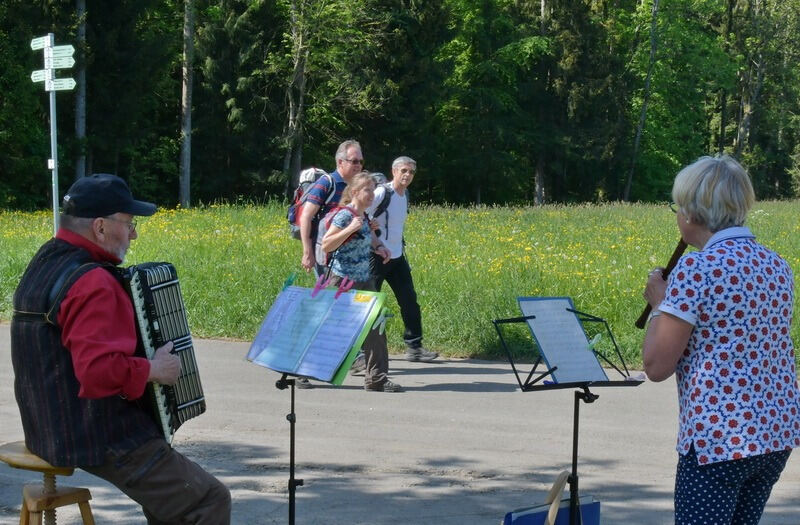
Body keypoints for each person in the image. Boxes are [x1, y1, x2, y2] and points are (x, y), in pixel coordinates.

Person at [10, 173, 231, 524]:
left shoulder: (46, 260)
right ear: (99, 227)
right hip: (93, 433)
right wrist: (154, 369)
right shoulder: (94, 282)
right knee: (205, 499)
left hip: (45, 426)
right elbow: (97, 372)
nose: (134, 234)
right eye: (128, 223)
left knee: (172, 498)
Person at [641, 155, 800, 525]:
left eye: (676, 207)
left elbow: (655, 366)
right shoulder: (777, 264)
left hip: (720, 441)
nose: (677, 215)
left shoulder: (698, 268)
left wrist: (659, 305)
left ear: (692, 214)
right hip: (774, 435)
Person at [321, 172, 402, 392]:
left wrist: (379, 247)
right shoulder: (345, 216)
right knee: (328, 329)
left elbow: (368, 237)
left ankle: (376, 379)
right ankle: (300, 371)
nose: (372, 194)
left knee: (376, 326)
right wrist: (349, 229)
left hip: (364, 279)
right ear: (355, 192)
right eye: (368, 189)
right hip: (342, 281)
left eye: (373, 188)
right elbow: (326, 245)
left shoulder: (364, 216)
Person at [366, 156, 438, 362]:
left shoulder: (405, 194)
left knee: (409, 301)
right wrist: (371, 230)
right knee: (368, 304)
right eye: (404, 171)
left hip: (397, 257)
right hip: (376, 256)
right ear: (394, 171)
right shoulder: (382, 192)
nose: (407, 175)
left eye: (411, 172)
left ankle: (415, 347)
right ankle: (359, 353)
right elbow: (361, 213)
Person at [300, 139, 364, 277]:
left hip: (350, 256)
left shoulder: (357, 186)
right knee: (329, 296)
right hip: (326, 256)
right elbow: (305, 216)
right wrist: (307, 251)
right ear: (340, 162)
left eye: (361, 161)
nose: (359, 165)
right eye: (354, 161)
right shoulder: (327, 183)